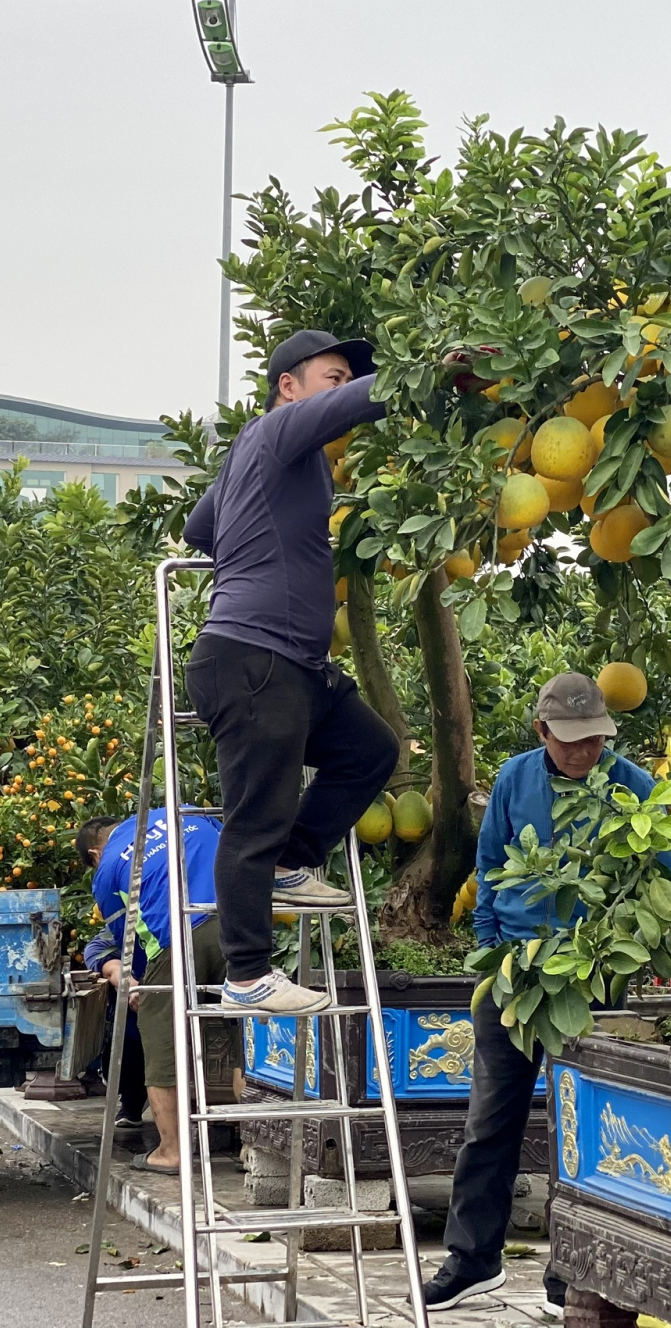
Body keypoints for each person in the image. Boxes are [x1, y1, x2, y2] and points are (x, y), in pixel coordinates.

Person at [421, 672, 671, 1314]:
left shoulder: (632, 788)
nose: (582, 752)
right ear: (542, 732)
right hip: (515, 977)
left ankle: (571, 1270)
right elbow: (488, 868)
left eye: (593, 740)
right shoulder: (513, 779)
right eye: (568, 742)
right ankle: (472, 1258)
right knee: (489, 1122)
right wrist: (492, 957)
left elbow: (664, 886)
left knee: (580, 1130)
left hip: (593, 982)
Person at [182, 328, 400, 1016]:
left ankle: (290, 861)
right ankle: (247, 974)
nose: (339, 390)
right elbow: (352, 408)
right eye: (332, 377)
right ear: (290, 387)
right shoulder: (276, 431)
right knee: (255, 814)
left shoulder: (280, 461)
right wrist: (427, 372)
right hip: (252, 656)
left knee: (371, 750)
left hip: (296, 664)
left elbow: (198, 527)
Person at [77, 809, 237, 1175]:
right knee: (241, 1033)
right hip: (238, 926)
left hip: (180, 939)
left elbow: (126, 942)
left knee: (159, 1036)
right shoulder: (185, 813)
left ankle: (171, 1151)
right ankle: (253, 1145)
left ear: (94, 856)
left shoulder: (107, 870)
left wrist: (138, 986)